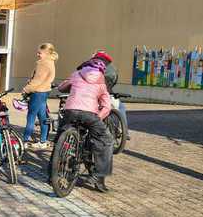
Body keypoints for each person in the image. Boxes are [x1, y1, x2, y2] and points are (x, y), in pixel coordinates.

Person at [57, 58, 113, 193]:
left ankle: (52, 172)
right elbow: (107, 106)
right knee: (106, 140)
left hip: (70, 111)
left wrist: (71, 85)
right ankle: (98, 176)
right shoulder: (101, 81)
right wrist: (98, 118)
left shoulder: (77, 74)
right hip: (89, 114)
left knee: (59, 136)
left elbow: (61, 88)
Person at [78, 49, 129, 141]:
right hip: (108, 92)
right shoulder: (112, 67)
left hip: (93, 92)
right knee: (121, 107)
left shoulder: (90, 65)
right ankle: (124, 132)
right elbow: (115, 80)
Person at [21, 42, 58, 149]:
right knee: (43, 117)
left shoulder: (43, 63)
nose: (37, 54)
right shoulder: (51, 62)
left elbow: (37, 80)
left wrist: (26, 89)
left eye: (40, 53)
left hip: (37, 92)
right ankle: (43, 141)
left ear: (46, 53)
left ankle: (25, 140)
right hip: (44, 91)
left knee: (31, 117)